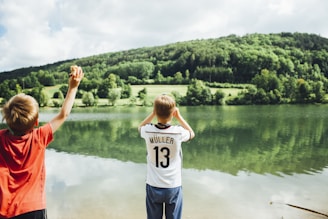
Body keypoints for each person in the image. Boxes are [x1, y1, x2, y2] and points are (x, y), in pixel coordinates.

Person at [0, 66, 84, 219]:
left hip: (4, 211)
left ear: (7, 120)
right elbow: (63, 114)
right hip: (33, 208)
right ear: (36, 122)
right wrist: (73, 87)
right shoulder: (39, 137)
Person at [138, 94, 195, 219]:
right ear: (173, 112)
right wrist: (179, 117)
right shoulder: (178, 132)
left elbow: (139, 127)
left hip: (153, 185)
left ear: (156, 111)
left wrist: (153, 113)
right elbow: (192, 133)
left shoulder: (147, 131)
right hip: (173, 186)